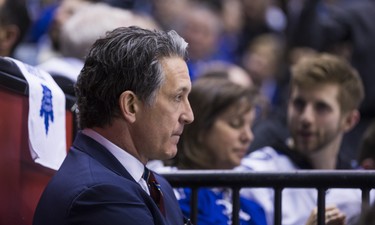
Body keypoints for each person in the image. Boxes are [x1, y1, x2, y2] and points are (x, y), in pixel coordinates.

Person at [33, 26, 194, 225]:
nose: (189, 115)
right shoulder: (99, 195)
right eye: (177, 97)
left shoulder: (156, 185)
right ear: (131, 106)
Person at [237, 53, 365, 225]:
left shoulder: (362, 190)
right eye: (299, 104)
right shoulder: (253, 175)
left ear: (349, 121)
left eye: (321, 107)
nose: (306, 118)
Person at [158, 77, 267, 225]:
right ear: (200, 129)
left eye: (250, 126)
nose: (248, 136)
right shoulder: (171, 192)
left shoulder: (251, 206)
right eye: (235, 124)